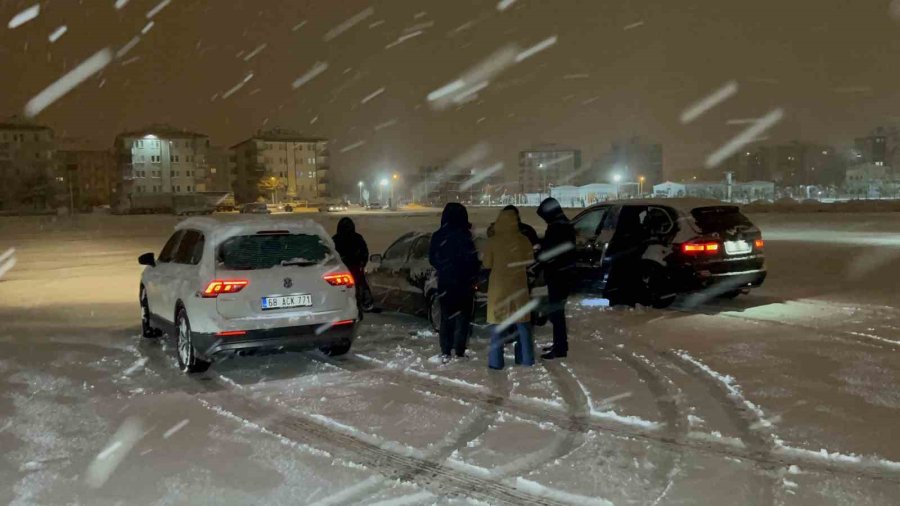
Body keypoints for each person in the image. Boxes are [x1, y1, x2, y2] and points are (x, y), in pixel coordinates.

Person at [429, 203, 481, 364]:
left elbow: (433, 258)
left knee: (447, 317)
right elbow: (472, 260)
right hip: (464, 283)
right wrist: (471, 275)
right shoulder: (465, 236)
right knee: (463, 318)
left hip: (446, 282)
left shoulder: (439, 236)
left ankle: (446, 350)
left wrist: (445, 268)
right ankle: (459, 350)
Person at [484, 208, 536, 370]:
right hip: (518, 287)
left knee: (497, 328)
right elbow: (530, 260)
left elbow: (487, 264)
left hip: (498, 289)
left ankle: (496, 362)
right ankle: (526, 359)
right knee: (523, 326)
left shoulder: (493, 241)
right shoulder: (523, 240)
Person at [536, 198, 576, 360]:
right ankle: (560, 344)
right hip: (564, 272)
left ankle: (560, 347)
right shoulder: (565, 225)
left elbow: (550, 252)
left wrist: (540, 254)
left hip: (558, 274)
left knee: (556, 312)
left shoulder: (556, 228)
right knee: (557, 311)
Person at [332, 217, 373, 316]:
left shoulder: (335, 239)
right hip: (354, 268)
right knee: (361, 285)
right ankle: (364, 303)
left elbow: (331, 254)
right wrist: (362, 262)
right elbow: (364, 252)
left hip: (343, 269)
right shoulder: (357, 238)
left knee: (343, 289)